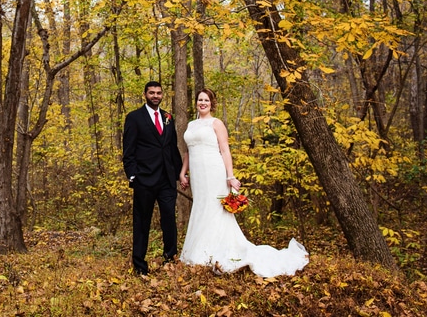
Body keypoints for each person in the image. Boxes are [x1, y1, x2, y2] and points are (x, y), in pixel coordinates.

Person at [179, 88, 308, 277]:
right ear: (196, 102)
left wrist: (230, 177)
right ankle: (199, 251)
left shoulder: (216, 123)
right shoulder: (191, 125)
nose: (202, 103)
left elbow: (224, 150)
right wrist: (183, 173)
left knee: (214, 209)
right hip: (197, 175)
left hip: (214, 171)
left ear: (211, 103)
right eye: (200, 99)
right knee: (201, 207)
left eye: (206, 100)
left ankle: (211, 253)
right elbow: (188, 152)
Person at [122, 81, 183, 275]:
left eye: (158, 93)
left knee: (169, 220)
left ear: (162, 94)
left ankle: (170, 259)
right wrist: (133, 175)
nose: (155, 96)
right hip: (144, 180)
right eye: (151, 93)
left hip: (166, 179)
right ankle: (140, 265)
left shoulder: (167, 117)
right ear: (145, 94)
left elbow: (172, 148)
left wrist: (181, 173)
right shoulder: (134, 118)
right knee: (142, 222)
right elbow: (128, 151)